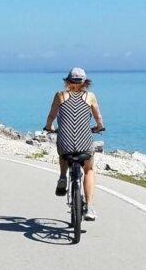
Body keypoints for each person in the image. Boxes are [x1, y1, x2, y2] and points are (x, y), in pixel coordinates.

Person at [44, 67, 105, 221]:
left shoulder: (60, 95)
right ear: (84, 82)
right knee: (89, 169)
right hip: (85, 142)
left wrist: (49, 126)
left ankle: (63, 177)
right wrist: (99, 127)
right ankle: (90, 207)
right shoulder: (90, 96)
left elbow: (51, 115)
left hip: (65, 141)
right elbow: (98, 116)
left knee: (63, 151)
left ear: (68, 80)